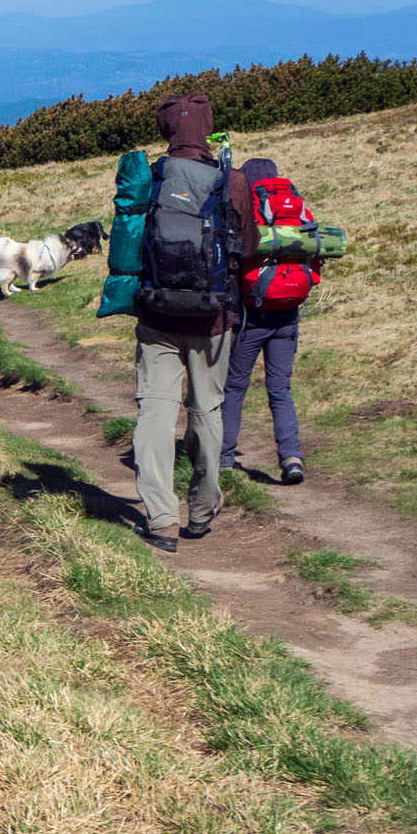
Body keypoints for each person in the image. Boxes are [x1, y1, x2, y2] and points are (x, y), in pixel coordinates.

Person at [130, 93, 256, 552]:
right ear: (207, 130)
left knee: (156, 412)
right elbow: (249, 246)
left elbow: (130, 244)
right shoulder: (232, 180)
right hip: (214, 318)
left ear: (166, 132)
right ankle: (202, 511)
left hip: (156, 314)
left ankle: (161, 518)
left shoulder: (149, 177)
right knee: (205, 411)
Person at [220, 157, 307, 485]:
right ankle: (292, 457)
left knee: (235, 386)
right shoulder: (295, 210)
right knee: (280, 389)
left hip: (252, 318)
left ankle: (224, 459)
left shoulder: (247, 211)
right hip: (288, 316)